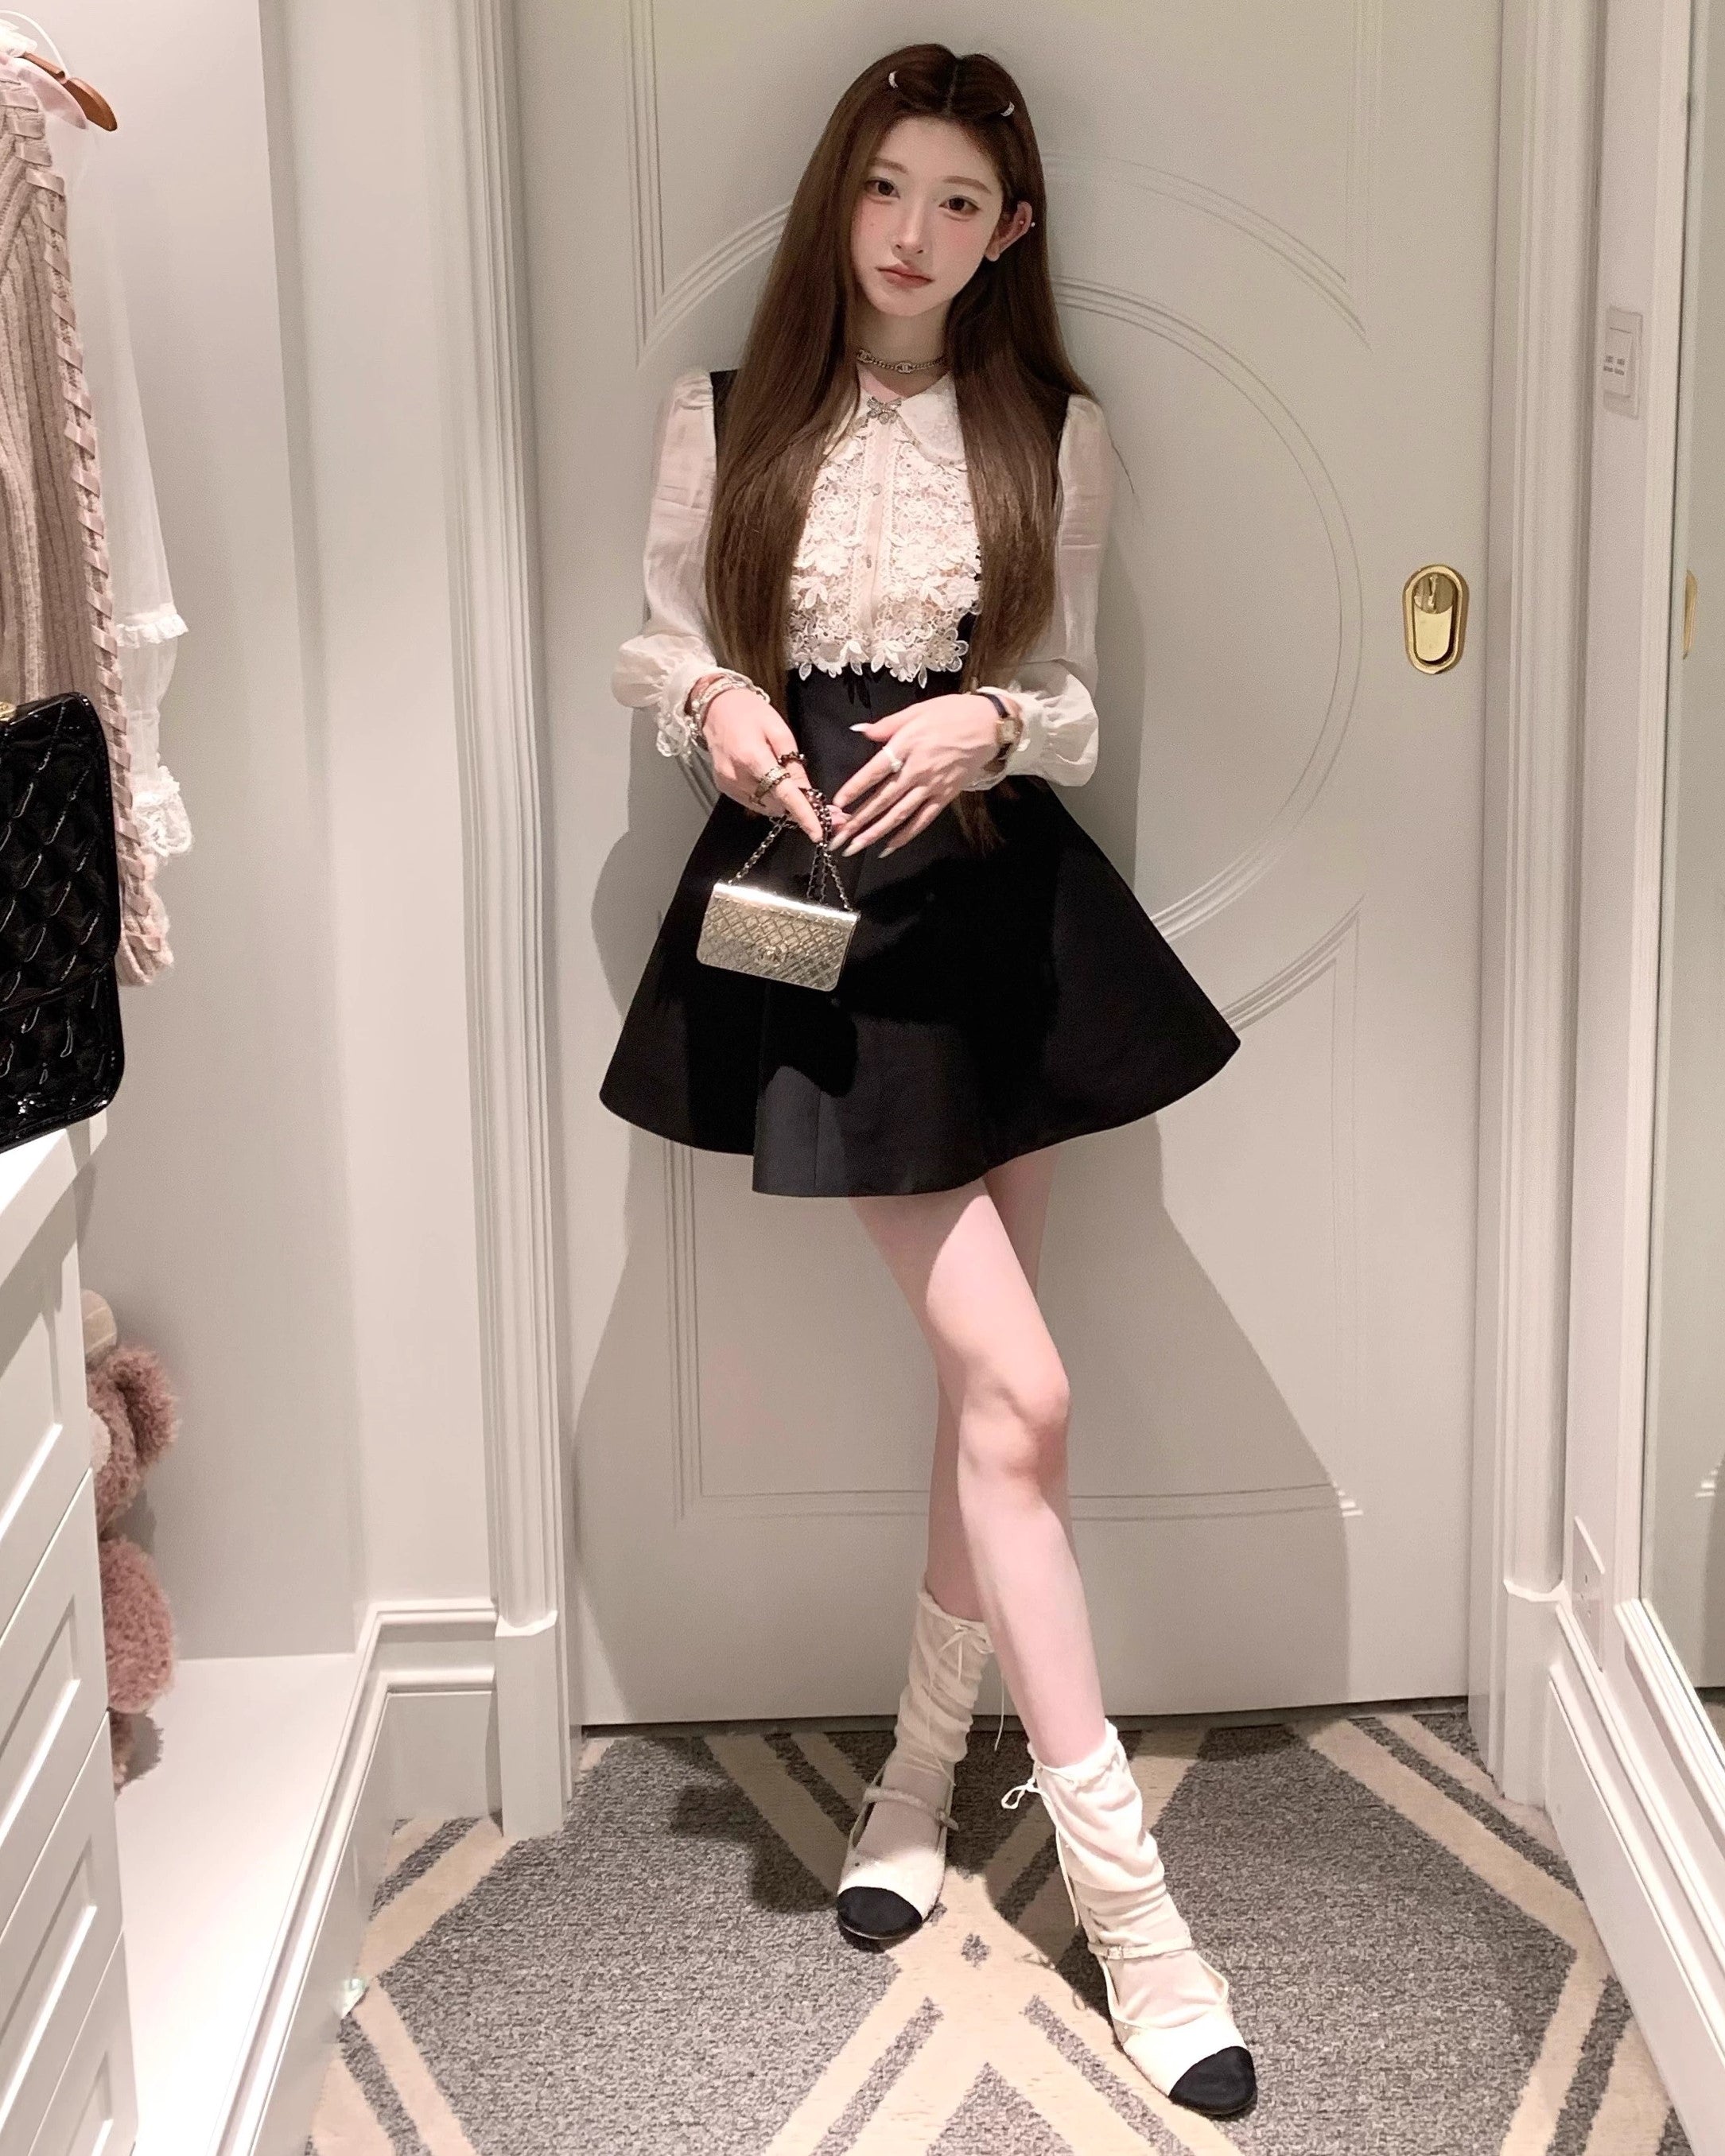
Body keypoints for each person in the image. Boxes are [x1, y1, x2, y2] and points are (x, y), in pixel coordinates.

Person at [601, 41, 1254, 2123]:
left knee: (987, 1410)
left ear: (1008, 231)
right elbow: (654, 643)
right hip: (820, 925)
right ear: (841, 194)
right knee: (1026, 1395)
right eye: (886, 186)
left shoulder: (1054, 430)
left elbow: (1072, 699)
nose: (912, 230)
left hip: (999, 918)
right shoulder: (725, 414)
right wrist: (716, 701)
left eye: (957, 200)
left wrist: (993, 722)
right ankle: (1137, 1926)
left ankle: (907, 1780)